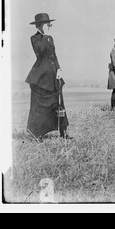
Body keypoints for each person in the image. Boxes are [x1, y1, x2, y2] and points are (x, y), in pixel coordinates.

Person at [25, 13, 70, 142]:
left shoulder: (49, 38)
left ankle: (63, 131)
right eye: (47, 23)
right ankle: (37, 134)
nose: (50, 26)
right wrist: (45, 37)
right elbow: (40, 52)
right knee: (39, 106)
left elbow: (53, 56)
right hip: (41, 77)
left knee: (58, 102)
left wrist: (59, 68)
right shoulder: (35, 38)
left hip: (53, 74)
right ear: (40, 25)